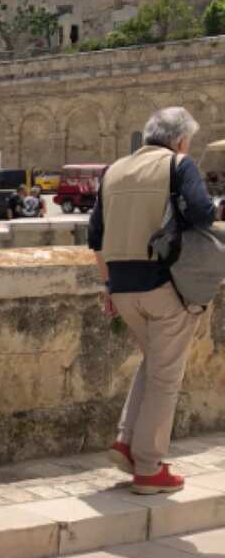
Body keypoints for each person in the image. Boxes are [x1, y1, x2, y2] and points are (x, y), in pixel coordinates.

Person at [90, 107, 217, 494]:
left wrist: (109, 286)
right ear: (180, 140)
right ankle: (148, 467)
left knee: (155, 363)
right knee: (166, 378)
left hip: (122, 286)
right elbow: (202, 214)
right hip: (164, 285)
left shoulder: (114, 171)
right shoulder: (179, 165)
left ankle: (126, 441)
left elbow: (95, 236)